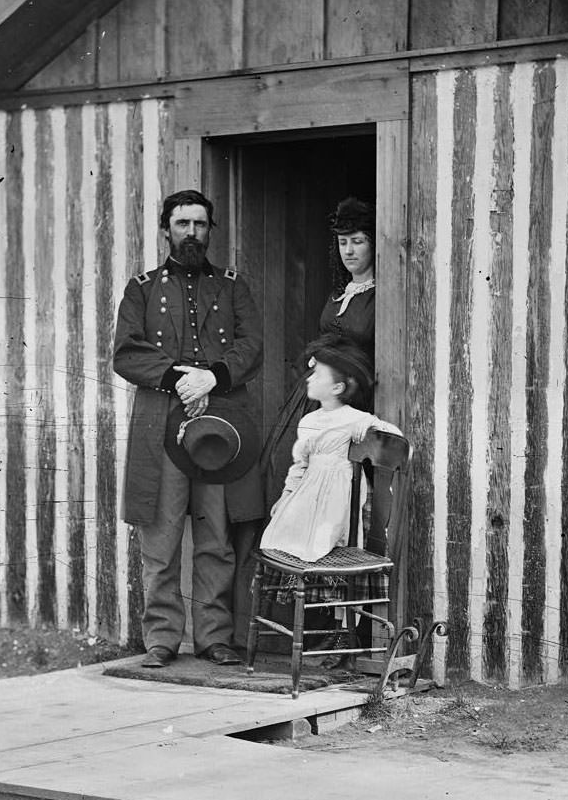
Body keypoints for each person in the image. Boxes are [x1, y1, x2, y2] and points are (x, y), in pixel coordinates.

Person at [113, 189, 264, 668]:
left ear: (209, 230)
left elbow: (251, 345)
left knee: (215, 536)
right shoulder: (141, 289)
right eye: (182, 224)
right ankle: (161, 639)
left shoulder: (233, 286)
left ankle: (214, 637)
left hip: (220, 425)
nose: (192, 233)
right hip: (161, 423)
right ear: (166, 229)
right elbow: (126, 353)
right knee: (160, 538)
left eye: (200, 224)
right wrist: (182, 380)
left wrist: (213, 378)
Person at [256, 335, 402, 660]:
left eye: (317, 375)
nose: (309, 379)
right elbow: (299, 464)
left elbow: (393, 438)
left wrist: (372, 435)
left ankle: (342, 631)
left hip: (338, 497)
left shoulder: (355, 418)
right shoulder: (308, 421)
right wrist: (286, 496)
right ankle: (324, 626)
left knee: (328, 542)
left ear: (337, 387)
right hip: (309, 495)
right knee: (283, 536)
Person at [259, 196, 376, 511]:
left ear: (373, 244)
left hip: (350, 397)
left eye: (358, 241)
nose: (349, 251)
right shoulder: (339, 293)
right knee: (284, 460)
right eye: (343, 242)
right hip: (312, 395)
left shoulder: (379, 296)